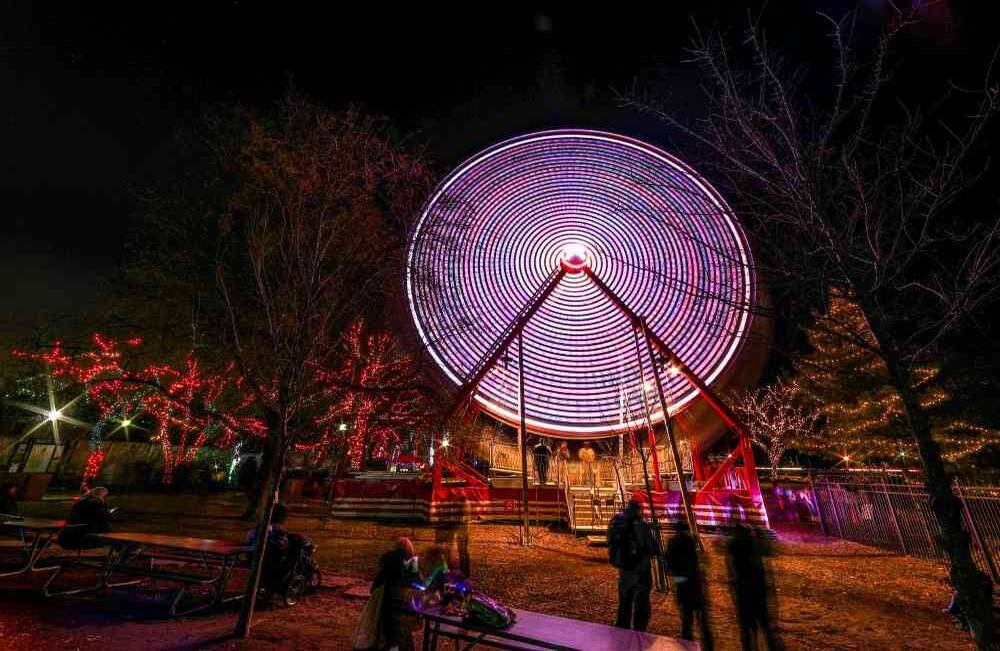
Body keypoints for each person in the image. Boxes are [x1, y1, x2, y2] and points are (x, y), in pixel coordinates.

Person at [727, 526, 783, 651]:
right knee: (765, 627)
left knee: (748, 629)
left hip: (744, 592)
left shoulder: (734, 547)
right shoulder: (754, 545)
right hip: (758, 590)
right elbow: (769, 550)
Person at [607, 498, 659, 631]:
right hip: (640, 568)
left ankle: (622, 629)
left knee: (625, 601)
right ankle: (639, 632)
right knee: (641, 602)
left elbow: (609, 540)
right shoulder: (641, 525)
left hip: (624, 568)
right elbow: (653, 548)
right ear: (638, 509)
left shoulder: (616, 521)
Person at [666, 524, 714, 650]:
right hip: (695, 582)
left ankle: (687, 642)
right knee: (702, 619)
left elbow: (669, 565)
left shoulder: (673, 542)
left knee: (687, 618)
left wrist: (677, 580)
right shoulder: (692, 541)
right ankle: (708, 644)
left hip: (683, 583)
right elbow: (699, 561)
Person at [372, 537, 421, 651]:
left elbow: (378, 580)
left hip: (387, 601)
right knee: (403, 630)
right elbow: (416, 581)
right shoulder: (412, 560)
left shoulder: (387, 558)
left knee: (390, 632)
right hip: (403, 601)